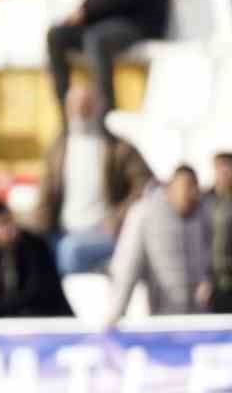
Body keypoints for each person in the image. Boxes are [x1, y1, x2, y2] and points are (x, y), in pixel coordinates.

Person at [35, 83, 153, 276]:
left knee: (70, 252)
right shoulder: (58, 149)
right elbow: (45, 197)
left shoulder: (118, 148)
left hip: (103, 233)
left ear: (99, 106)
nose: (80, 111)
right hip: (64, 230)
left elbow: (146, 185)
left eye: (87, 104)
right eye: (75, 105)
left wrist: (119, 216)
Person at [105, 167, 211, 325]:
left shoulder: (203, 213)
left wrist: (207, 281)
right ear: (170, 188)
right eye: (187, 187)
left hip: (200, 322)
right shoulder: (145, 215)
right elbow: (127, 265)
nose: (192, 194)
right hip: (164, 321)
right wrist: (115, 314)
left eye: (195, 188)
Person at [0, 204, 73, 319]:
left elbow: (36, 292)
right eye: (0, 223)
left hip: (40, 318)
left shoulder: (34, 247)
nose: (8, 228)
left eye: (11, 222)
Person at [205, 151, 232, 312]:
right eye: (220, 169)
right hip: (212, 281)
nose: (224, 174)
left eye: (227, 169)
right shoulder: (205, 200)